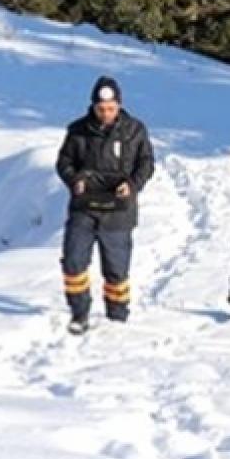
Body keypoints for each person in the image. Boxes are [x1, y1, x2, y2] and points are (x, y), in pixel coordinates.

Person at [55, 76, 154, 334]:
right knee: (73, 262)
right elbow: (64, 162)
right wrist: (74, 179)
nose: (106, 114)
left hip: (118, 211)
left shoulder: (135, 130)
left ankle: (117, 318)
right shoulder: (77, 130)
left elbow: (146, 164)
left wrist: (132, 185)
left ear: (119, 105)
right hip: (84, 208)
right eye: (101, 109)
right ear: (93, 106)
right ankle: (79, 313)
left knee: (116, 270)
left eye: (111, 108)